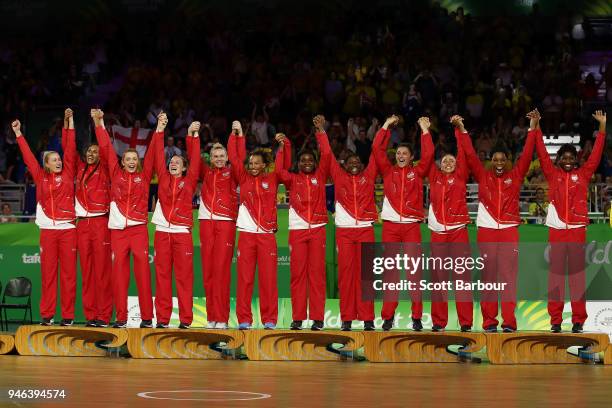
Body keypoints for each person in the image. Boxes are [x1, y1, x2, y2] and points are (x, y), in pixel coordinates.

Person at [457, 110, 537, 333]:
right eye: (495, 159)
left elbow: (528, 153)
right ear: (490, 161)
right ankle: (489, 322)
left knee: (508, 279)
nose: (499, 163)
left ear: (508, 161)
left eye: (503, 159)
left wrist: (532, 127)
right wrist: (463, 131)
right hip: (487, 232)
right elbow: (471, 155)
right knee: (488, 279)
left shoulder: (517, 175)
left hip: (510, 231)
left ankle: (509, 323)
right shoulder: (483, 176)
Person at [534, 109, 607, 333]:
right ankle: (555, 320)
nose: (567, 160)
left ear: (576, 160)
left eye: (571, 157)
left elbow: (595, 156)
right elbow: (542, 153)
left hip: (576, 230)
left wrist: (602, 127)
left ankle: (578, 320)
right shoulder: (552, 174)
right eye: (563, 158)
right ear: (559, 160)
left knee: (577, 278)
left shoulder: (583, 175)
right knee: (555, 278)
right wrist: (536, 127)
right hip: (556, 231)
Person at [92, 109, 158, 329]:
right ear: (122, 162)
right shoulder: (115, 173)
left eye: (134, 159)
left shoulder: (144, 175)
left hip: (139, 230)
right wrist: (99, 122)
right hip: (118, 231)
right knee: (119, 278)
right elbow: (106, 148)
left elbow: (152, 154)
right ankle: (120, 318)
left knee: (143, 275)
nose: (131, 161)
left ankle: (147, 319)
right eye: (127, 159)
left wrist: (159, 129)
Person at [318, 117, 384, 332]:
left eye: (358, 163)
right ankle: (346, 318)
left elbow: (377, 153)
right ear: (344, 166)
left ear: (363, 166)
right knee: (346, 276)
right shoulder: (339, 177)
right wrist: (321, 132)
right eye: (350, 163)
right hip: (345, 232)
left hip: (365, 229)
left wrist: (384, 129)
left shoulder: (369, 176)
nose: (354, 165)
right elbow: (327, 156)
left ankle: (367, 319)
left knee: (366, 277)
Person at [13, 119, 77, 326]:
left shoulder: (68, 173)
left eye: (60, 159)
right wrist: (18, 134)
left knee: (68, 276)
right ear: (46, 163)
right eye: (54, 159)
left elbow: (70, 148)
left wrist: (69, 124)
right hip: (48, 230)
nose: (59, 161)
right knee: (48, 275)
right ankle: (47, 315)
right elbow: (28, 156)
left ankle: (67, 316)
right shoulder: (40, 177)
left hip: (68, 229)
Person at [374, 115, 434, 331]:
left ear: (411, 157)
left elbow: (428, 155)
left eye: (404, 154)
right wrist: (386, 126)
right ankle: (387, 317)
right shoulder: (388, 171)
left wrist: (425, 131)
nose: (400, 156)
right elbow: (377, 150)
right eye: (398, 153)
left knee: (413, 273)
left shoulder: (417, 173)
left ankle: (416, 317)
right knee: (390, 273)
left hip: (411, 227)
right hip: (390, 227)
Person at [275, 114, 331, 331]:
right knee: (297, 276)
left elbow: (326, 153)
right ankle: (297, 318)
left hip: (317, 229)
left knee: (317, 276)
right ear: (298, 164)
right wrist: (284, 146)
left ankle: (317, 318)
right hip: (297, 230)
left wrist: (321, 132)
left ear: (315, 164)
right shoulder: (293, 179)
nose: (307, 162)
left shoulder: (321, 175)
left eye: (310, 160)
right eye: (303, 160)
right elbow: (279, 171)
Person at [228, 124, 285, 330]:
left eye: (256, 163)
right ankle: (244, 319)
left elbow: (281, 165)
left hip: (267, 235)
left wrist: (283, 146)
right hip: (246, 234)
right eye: (250, 163)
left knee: (269, 280)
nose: (252, 166)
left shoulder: (272, 178)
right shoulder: (242, 177)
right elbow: (234, 158)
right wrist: (237, 135)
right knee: (244, 280)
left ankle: (270, 320)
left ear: (263, 165)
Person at [61, 108, 112, 327]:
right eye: (88, 151)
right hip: (82, 224)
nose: (91, 154)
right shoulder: (79, 169)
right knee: (87, 272)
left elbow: (108, 147)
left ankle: (104, 315)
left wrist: (98, 122)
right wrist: (69, 122)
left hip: (100, 222)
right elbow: (68, 150)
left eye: (95, 151)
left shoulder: (107, 169)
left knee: (102, 272)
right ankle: (91, 315)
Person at [151, 113, 200, 329]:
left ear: (184, 167)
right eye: (172, 161)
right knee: (162, 277)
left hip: (182, 233)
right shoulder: (162, 177)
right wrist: (159, 130)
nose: (173, 163)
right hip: (162, 232)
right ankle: (162, 319)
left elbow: (197, 160)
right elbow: (157, 156)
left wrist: (193, 136)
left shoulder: (189, 182)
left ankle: (186, 320)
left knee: (183, 278)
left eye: (178, 162)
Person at [427, 115, 473, 332]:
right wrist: (425, 132)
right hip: (437, 234)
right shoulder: (433, 177)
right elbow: (427, 156)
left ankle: (466, 323)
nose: (448, 162)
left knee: (462, 279)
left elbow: (465, 153)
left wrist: (460, 129)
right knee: (439, 280)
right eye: (444, 160)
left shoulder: (461, 175)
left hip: (458, 232)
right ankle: (438, 322)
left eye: (451, 161)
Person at [198, 124, 240, 330]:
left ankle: (222, 317)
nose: (219, 159)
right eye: (215, 156)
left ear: (227, 157)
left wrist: (235, 136)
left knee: (222, 272)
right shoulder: (205, 172)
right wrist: (193, 135)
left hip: (225, 223)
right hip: (206, 222)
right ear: (210, 158)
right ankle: (211, 317)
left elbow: (239, 157)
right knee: (208, 272)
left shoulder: (233, 173)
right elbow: (193, 154)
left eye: (222, 155)